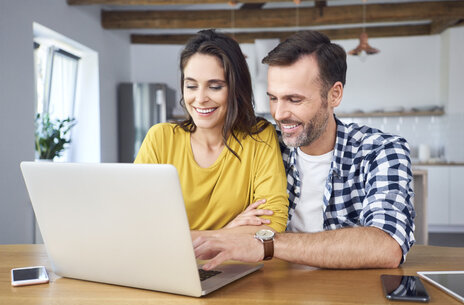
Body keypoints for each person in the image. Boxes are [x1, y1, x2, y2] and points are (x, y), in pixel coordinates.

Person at [193, 31, 415, 270]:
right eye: (273, 98)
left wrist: (266, 244)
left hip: (352, 296)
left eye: (294, 100)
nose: (279, 114)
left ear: (334, 94)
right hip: (274, 292)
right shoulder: (263, 146)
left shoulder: (381, 151)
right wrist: (230, 231)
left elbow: (387, 246)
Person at [134, 30, 288, 237]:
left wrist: (185, 237)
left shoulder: (259, 137)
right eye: (191, 86)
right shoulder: (161, 139)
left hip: (237, 265)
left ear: (235, 89)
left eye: (215, 87)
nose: (200, 98)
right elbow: (139, 224)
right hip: (168, 265)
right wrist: (223, 233)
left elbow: (273, 222)